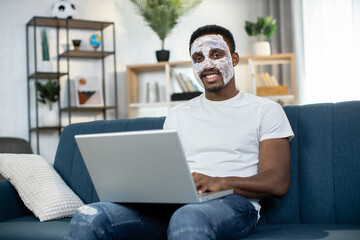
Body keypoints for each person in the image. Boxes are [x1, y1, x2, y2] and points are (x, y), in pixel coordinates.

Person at [65, 24, 294, 240]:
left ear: (234, 59)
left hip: (235, 203)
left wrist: (220, 182)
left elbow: (277, 181)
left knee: (188, 217)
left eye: (216, 54)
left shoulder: (265, 110)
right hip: (176, 205)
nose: (207, 65)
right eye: (198, 58)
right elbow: (165, 171)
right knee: (90, 216)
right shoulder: (178, 114)